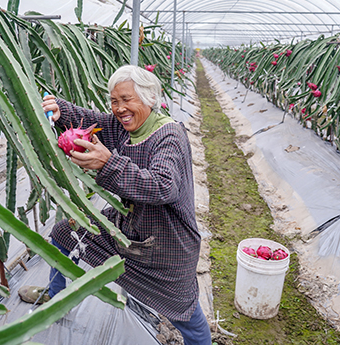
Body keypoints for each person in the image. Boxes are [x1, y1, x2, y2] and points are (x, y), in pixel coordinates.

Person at [21, 65, 211, 345]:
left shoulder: (169, 136)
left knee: (185, 312)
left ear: (149, 99)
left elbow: (163, 186)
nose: (119, 108)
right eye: (114, 101)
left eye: (126, 99)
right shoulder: (123, 127)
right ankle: (56, 294)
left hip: (168, 244)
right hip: (129, 226)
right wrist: (61, 109)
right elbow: (93, 119)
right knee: (64, 233)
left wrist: (108, 163)